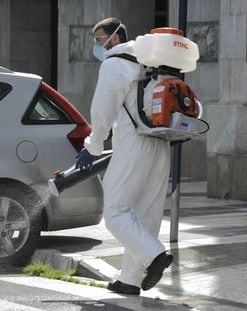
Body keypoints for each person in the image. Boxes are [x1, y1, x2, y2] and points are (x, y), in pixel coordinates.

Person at [75, 17, 173, 295]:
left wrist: (92, 146)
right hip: (160, 142)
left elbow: (103, 109)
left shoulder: (115, 63)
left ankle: (155, 255)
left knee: (115, 212)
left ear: (114, 38)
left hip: (134, 143)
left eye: (98, 39)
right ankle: (130, 280)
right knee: (145, 214)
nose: (96, 46)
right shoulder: (151, 62)